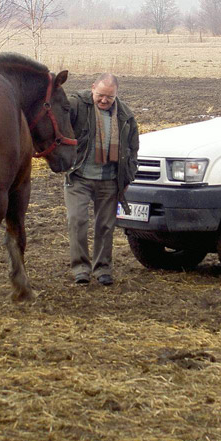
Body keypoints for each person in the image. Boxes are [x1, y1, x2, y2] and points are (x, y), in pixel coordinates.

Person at [64, 73, 139, 286]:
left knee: (106, 226)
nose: (104, 101)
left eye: (110, 97)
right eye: (100, 95)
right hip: (78, 176)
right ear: (92, 88)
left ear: (116, 95)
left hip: (109, 179)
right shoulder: (77, 105)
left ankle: (103, 269)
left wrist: (127, 178)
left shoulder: (126, 116)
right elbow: (58, 119)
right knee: (77, 221)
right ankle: (80, 269)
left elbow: (133, 149)